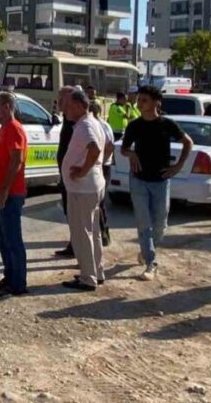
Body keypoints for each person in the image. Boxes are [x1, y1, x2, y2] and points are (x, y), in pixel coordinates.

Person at [121, 85, 194, 281]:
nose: (139, 103)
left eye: (144, 100)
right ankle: (150, 262)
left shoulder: (167, 124)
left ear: (156, 102)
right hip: (138, 180)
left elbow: (188, 142)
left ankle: (146, 250)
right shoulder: (134, 125)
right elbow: (123, 149)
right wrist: (131, 153)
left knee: (160, 224)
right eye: (139, 100)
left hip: (161, 180)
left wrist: (178, 166)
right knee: (143, 222)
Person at [60, 90, 107, 291]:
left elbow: (95, 149)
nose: (65, 109)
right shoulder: (93, 122)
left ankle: (88, 277)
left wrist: (82, 171)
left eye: (68, 105)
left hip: (83, 188)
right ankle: (97, 271)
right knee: (93, 231)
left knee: (82, 233)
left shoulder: (85, 125)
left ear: (79, 106)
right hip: (92, 185)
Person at [0, 92, 29, 297]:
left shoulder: (14, 129)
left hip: (11, 194)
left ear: (6, 107)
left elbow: (16, 161)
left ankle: (18, 283)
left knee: (12, 239)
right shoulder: (3, 129)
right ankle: (9, 277)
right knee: (3, 237)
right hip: (0, 192)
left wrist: (3, 190)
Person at [54, 86, 78, 258]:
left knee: (77, 214)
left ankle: (78, 248)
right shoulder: (66, 120)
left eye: (62, 99)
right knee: (69, 212)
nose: (59, 102)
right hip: (65, 176)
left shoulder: (78, 123)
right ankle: (74, 243)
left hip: (74, 177)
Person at [89, 101, 115, 247]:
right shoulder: (91, 125)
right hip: (97, 166)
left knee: (100, 202)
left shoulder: (103, 126)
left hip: (103, 167)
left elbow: (110, 147)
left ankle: (104, 233)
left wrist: (100, 161)